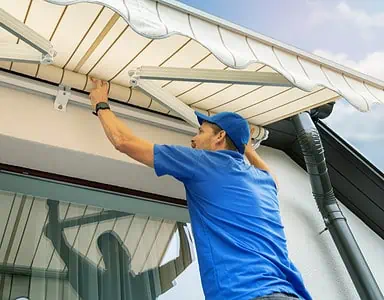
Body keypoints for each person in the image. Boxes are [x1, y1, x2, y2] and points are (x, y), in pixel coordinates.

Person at [88, 79, 312, 300]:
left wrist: (101, 104)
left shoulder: (204, 163)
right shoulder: (264, 183)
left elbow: (123, 142)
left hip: (248, 295)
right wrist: (247, 149)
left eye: (201, 132)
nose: (193, 139)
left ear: (219, 137)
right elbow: (271, 176)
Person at [44, 199, 192, 299]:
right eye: (113, 251)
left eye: (118, 248)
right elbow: (184, 261)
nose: (119, 254)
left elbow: (184, 261)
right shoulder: (140, 285)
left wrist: (180, 217)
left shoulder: (140, 284)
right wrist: (179, 218)